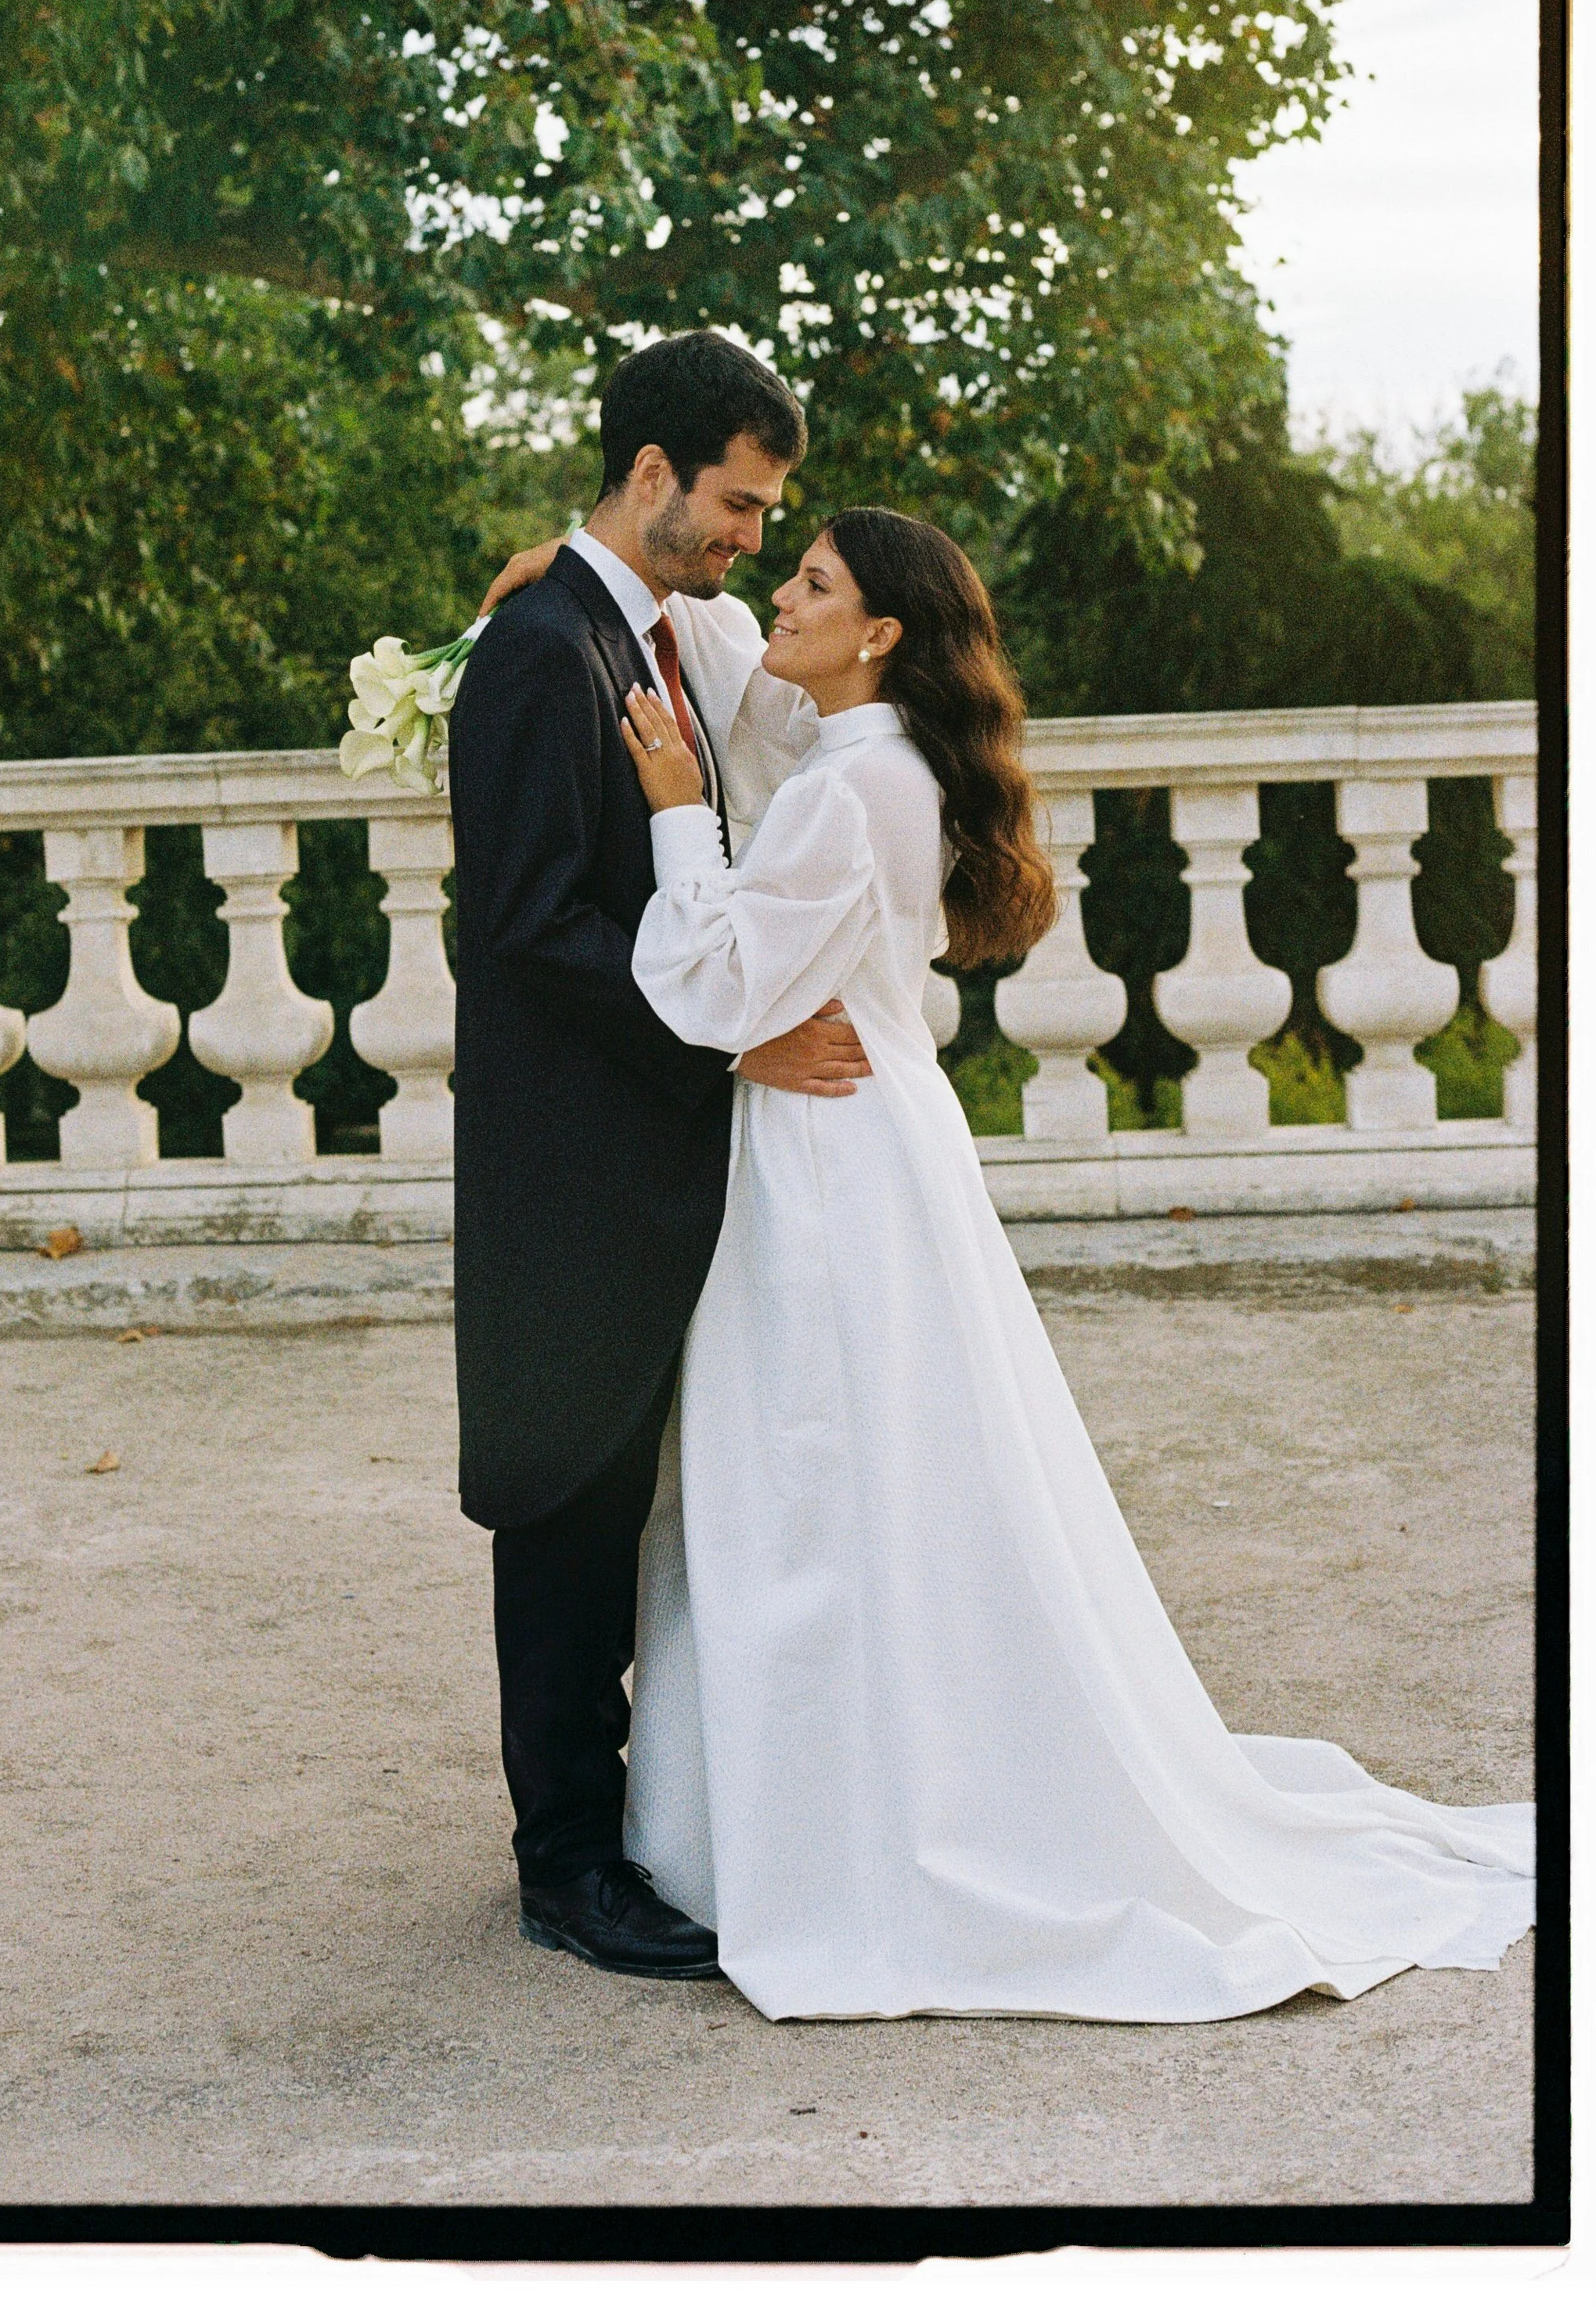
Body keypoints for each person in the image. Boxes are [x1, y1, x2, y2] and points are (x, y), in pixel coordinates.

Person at [614, 503, 1535, 2022]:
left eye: (814, 581)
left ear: (884, 633)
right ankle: (800, 1812)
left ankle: (828, 1845)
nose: (778, 594)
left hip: (827, 1158)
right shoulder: (873, 754)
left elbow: (716, 983)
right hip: (864, 1131)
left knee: (813, 1489)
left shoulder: (855, 790)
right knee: (855, 1489)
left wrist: (670, 808)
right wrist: (587, 570)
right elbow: (728, 654)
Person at [447, 330, 869, 1981]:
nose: (754, 537)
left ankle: (607, 1826)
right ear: (649, 475)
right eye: (741, 504)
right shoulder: (541, 655)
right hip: (570, 1158)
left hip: (642, 1147)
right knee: (563, 1497)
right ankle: (564, 1864)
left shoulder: (653, 631)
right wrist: (729, 1035)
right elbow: (529, 931)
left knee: (625, 1491)